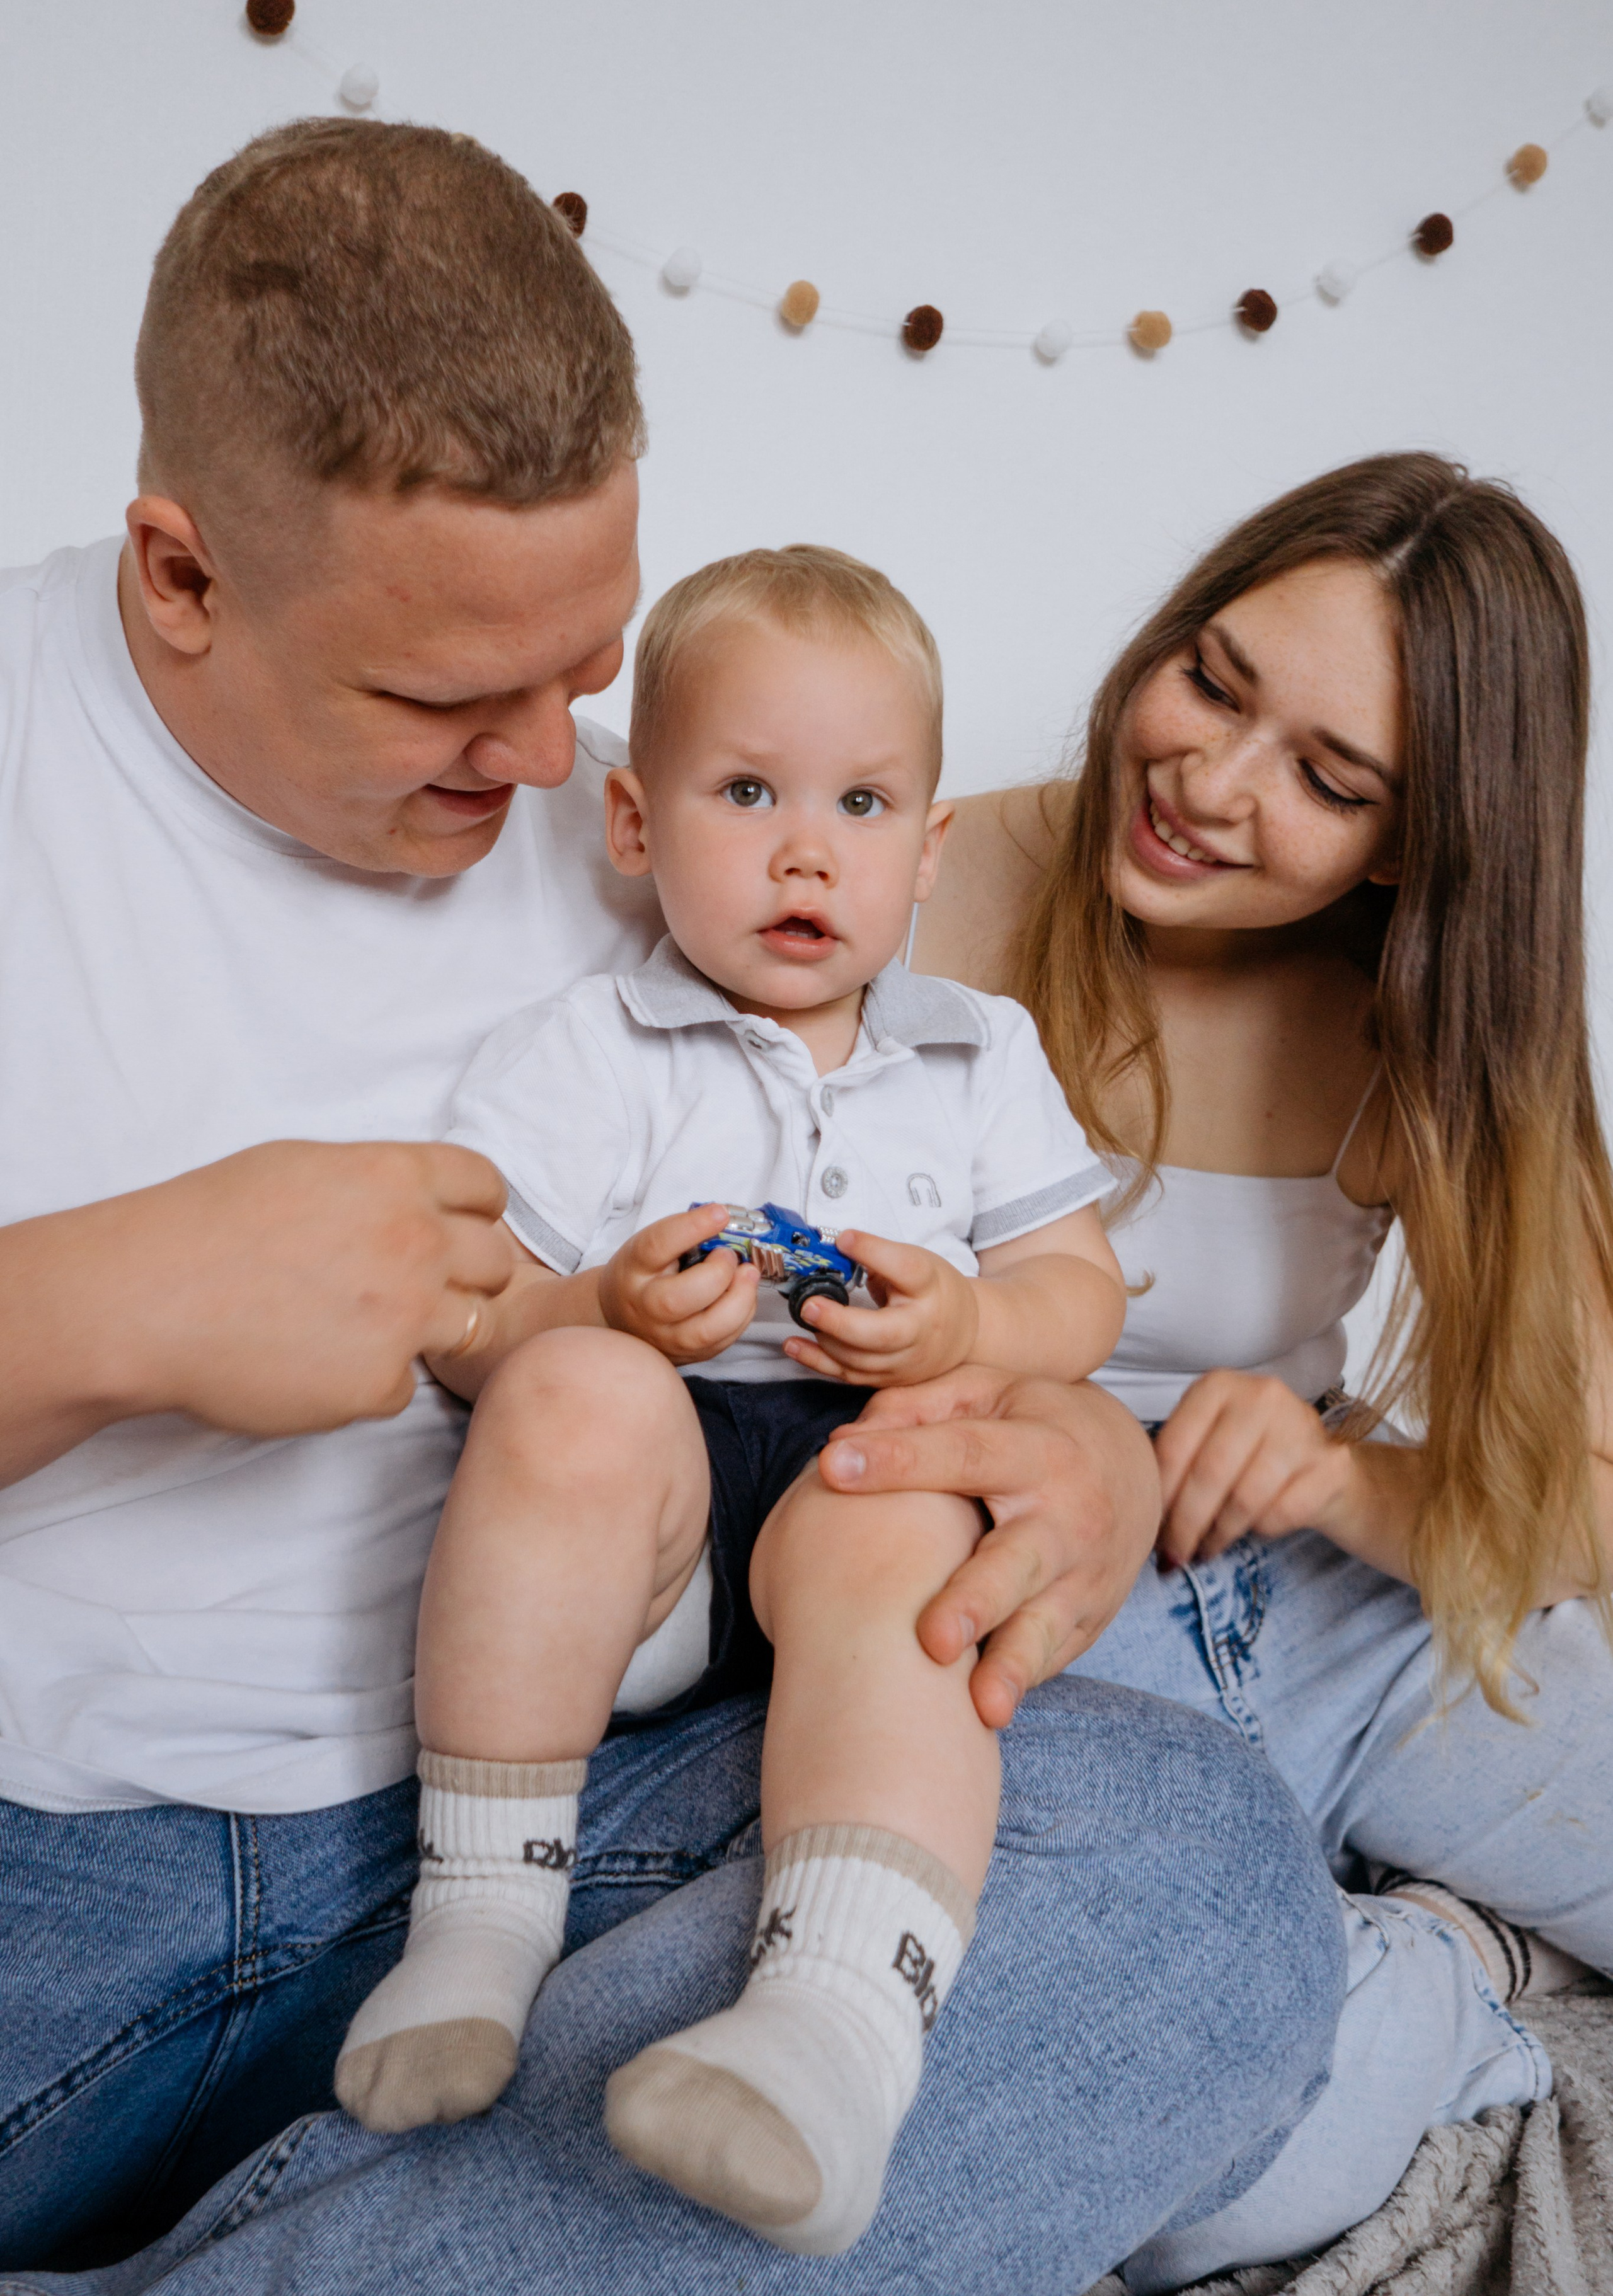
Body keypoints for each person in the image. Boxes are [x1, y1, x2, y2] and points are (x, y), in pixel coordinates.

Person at [0, 117, 1345, 2287]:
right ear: (182, 574)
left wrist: (1067, 1440)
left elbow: (993, 1218)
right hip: (51, 1858)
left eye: (583, 677)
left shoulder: (697, 813)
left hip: (623, 1780)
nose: (551, 773)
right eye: (446, 698)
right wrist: (82, 1312)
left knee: (1196, 1873)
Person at [332, 546, 1126, 2259]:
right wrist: (595, 1305)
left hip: (853, 1510)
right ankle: (476, 1922)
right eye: (746, 790)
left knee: (908, 1507)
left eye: (859, 803)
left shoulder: (976, 1054)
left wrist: (974, 1319)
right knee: (570, 1395)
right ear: (635, 826)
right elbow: (460, 1312)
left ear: (925, 856)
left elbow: (1085, 1298)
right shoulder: (591, 1047)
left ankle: (833, 2033)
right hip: (652, 1568)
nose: (803, 850)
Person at [914, 452, 1613, 2286]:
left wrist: (1342, 1480)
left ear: (1410, 840)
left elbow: (1583, 1510)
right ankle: (1446, 1980)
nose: (1208, 786)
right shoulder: (907, 871)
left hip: (1336, 1623)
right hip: (1043, 1646)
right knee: (1176, 2177)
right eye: (1213, 681)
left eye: (1326, 777)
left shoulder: (1423, 1035)